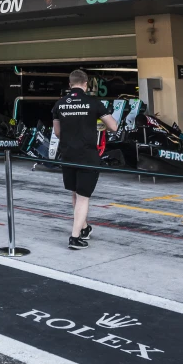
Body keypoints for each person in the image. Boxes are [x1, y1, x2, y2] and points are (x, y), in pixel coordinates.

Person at [50, 69, 118, 250]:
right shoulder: (93, 103)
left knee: (75, 193)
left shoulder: (60, 104)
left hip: (68, 154)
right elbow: (114, 126)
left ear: (69, 84)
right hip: (87, 155)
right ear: (86, 84)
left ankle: (84, 227)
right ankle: (75, 237)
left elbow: (57, 132)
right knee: (83, 197)